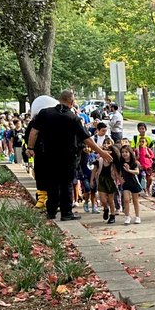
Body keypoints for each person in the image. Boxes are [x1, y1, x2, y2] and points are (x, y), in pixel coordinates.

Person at [26, 89, 110, 221]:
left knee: (52, 183)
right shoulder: (73, 118)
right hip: (67, 156)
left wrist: (30, 147)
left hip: (48, 155)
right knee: (66, 184)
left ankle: (51, 211)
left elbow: (34, 132)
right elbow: (86, 139)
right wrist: (102, 152)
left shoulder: (44, 113)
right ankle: (66, 212)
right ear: (71, 102)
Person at [96, 143, 124, 224]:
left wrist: (121, 181)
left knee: (110, 200)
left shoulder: (113, 164)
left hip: (110, 181)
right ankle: (105, 208)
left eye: (110, 152)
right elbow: (95, 170)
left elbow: (117, 174)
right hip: (101, 180)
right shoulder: (100, 160)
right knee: (103, 199)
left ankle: (112, 216)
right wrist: (92, 180)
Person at [120, 147, 144, 224]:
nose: (124, 154)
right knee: (126, 200)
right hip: (126, 183)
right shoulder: (121, 163)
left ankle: (137, 216)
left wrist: (129, 170)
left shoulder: (134, 162)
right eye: (123, 152)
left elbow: (137, 172)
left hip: (134, 183)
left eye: (126, 152)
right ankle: (127, 216)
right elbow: (117, 172)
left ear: (130, 153)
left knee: (135, 201)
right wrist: (120, 179)